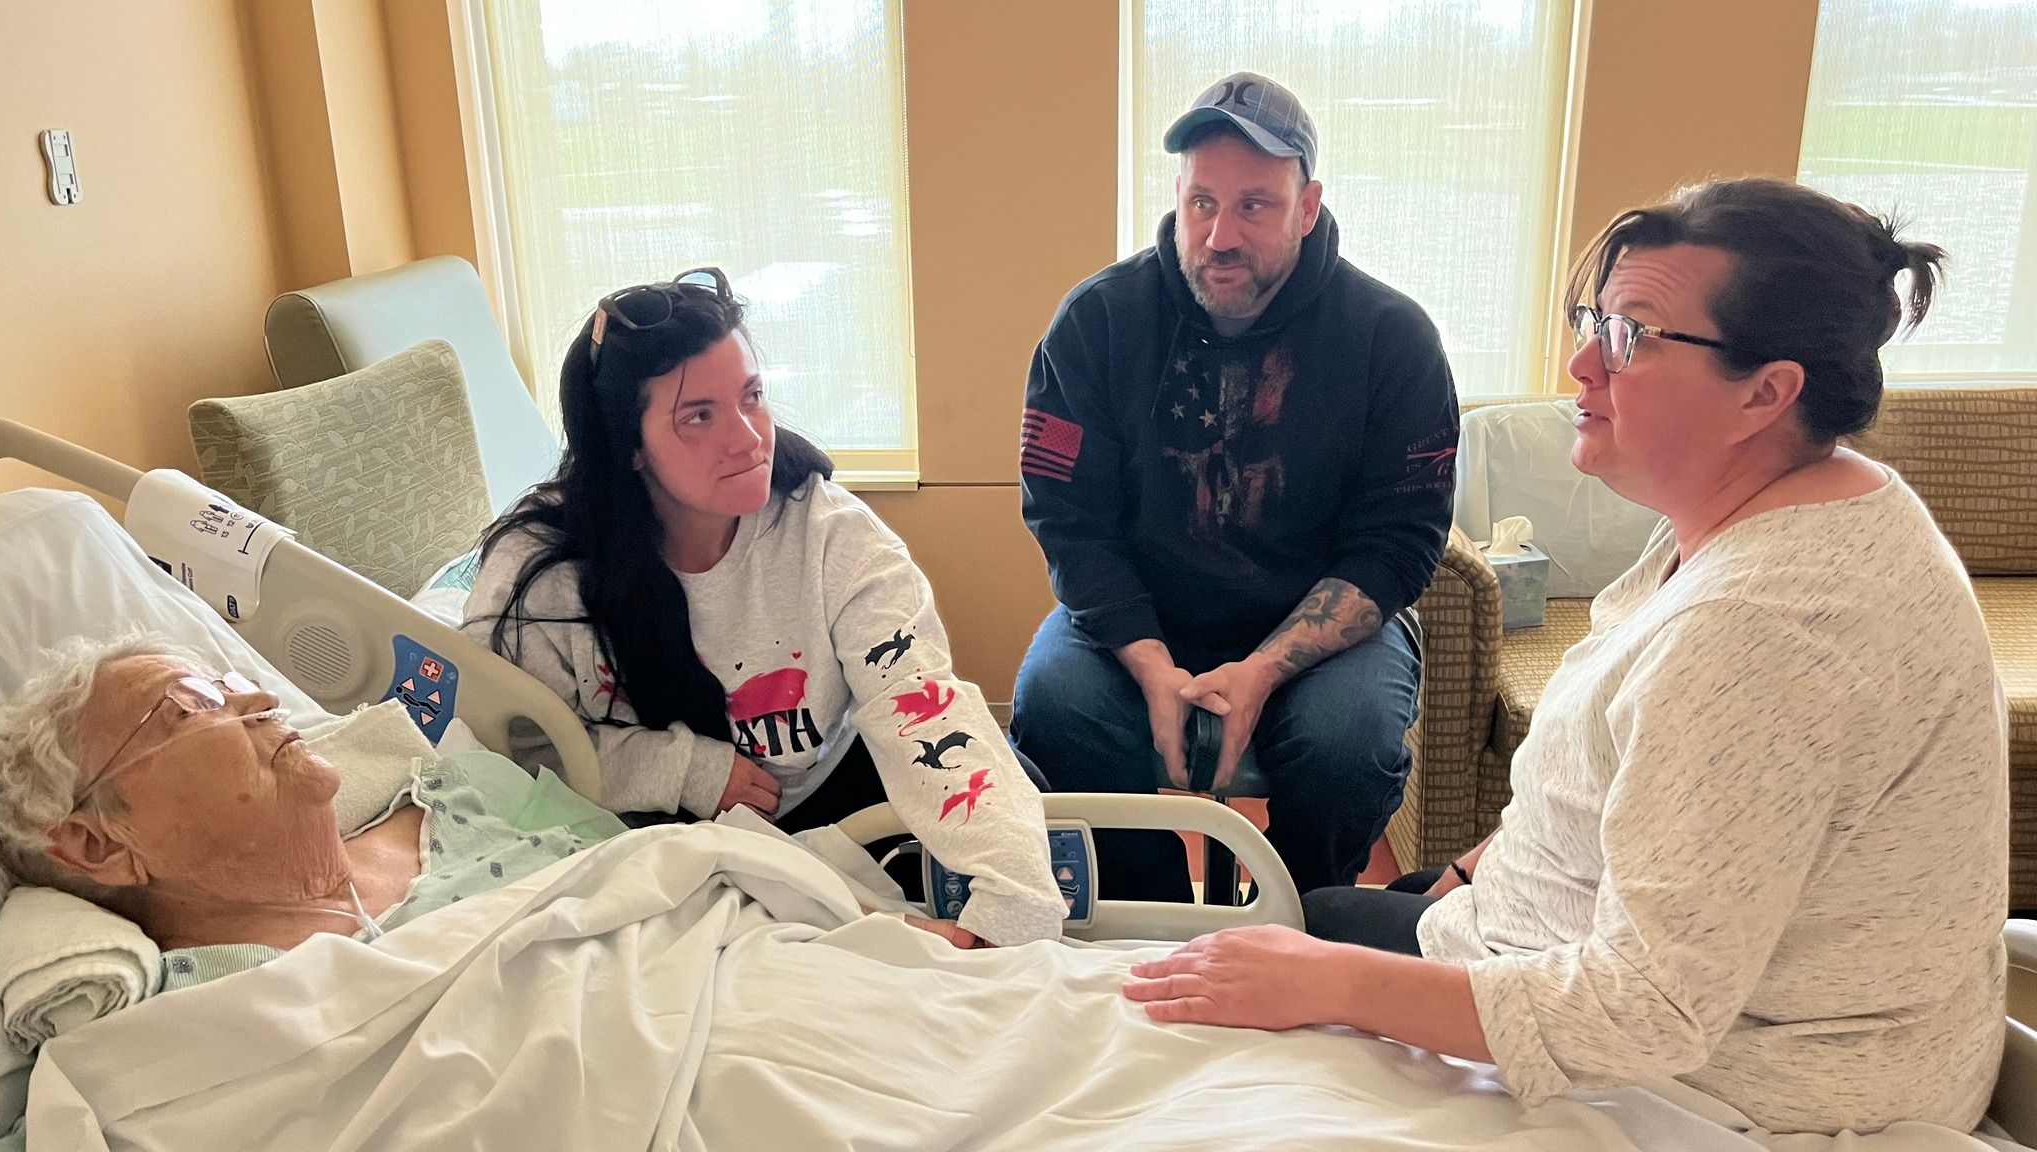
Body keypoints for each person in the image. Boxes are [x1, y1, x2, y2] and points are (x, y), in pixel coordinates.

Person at [1120, 178, 2009, 1135]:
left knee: (1244, 1011)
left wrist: (1334, 985)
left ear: (1767, 391)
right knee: (1309, 924)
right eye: (1594, 319)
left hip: (1738, 1093)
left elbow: (1648, 1013)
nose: (1581, 363)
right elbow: (1614, 790)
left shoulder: (1766, 638)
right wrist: (1459, 878)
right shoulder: (1783, 506)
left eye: (1630, 335)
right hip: (1541, 945)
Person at [461, 269, 1064, 948]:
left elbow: (919, 698)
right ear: (627, 446)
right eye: (699, 416)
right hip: (650, 828)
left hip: (823, 786)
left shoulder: (830, 536)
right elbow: (509, 754)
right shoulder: (542, 576)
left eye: (752, 397)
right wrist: (686, 770)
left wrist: (1013, 906)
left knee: (1020, 803)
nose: (748, 438)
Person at [1011, 72, 1458, 900]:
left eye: (1254, 205)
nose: (1219, 235)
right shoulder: (1096, 322)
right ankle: (1142, 914)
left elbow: (1401, 540)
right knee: (1055, 702)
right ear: (1177, 196)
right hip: (1141, 613)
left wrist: (1263, 669)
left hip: (1319, 630)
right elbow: (1068, 519)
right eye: (1202, 203)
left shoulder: (1392, 339)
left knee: (1347, 741)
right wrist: (1146, 659)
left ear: (1308, 203)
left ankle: (1302, 922)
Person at [0, 638, 1005, 976]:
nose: (254, 696)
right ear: (92, 839)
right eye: (192, 705)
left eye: (227, 676)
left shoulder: (465, 793)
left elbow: (687, 897)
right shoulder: (197, 1010)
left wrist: (874, 932)